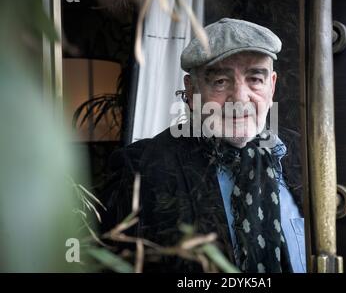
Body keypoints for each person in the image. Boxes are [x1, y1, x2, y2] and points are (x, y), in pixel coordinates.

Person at [101, 18, 306, 273]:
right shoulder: (140, 170)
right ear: (191, 91)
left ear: (272, 85)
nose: (240, 98)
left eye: (255, 78)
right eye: (220, 81)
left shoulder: (302, 158)